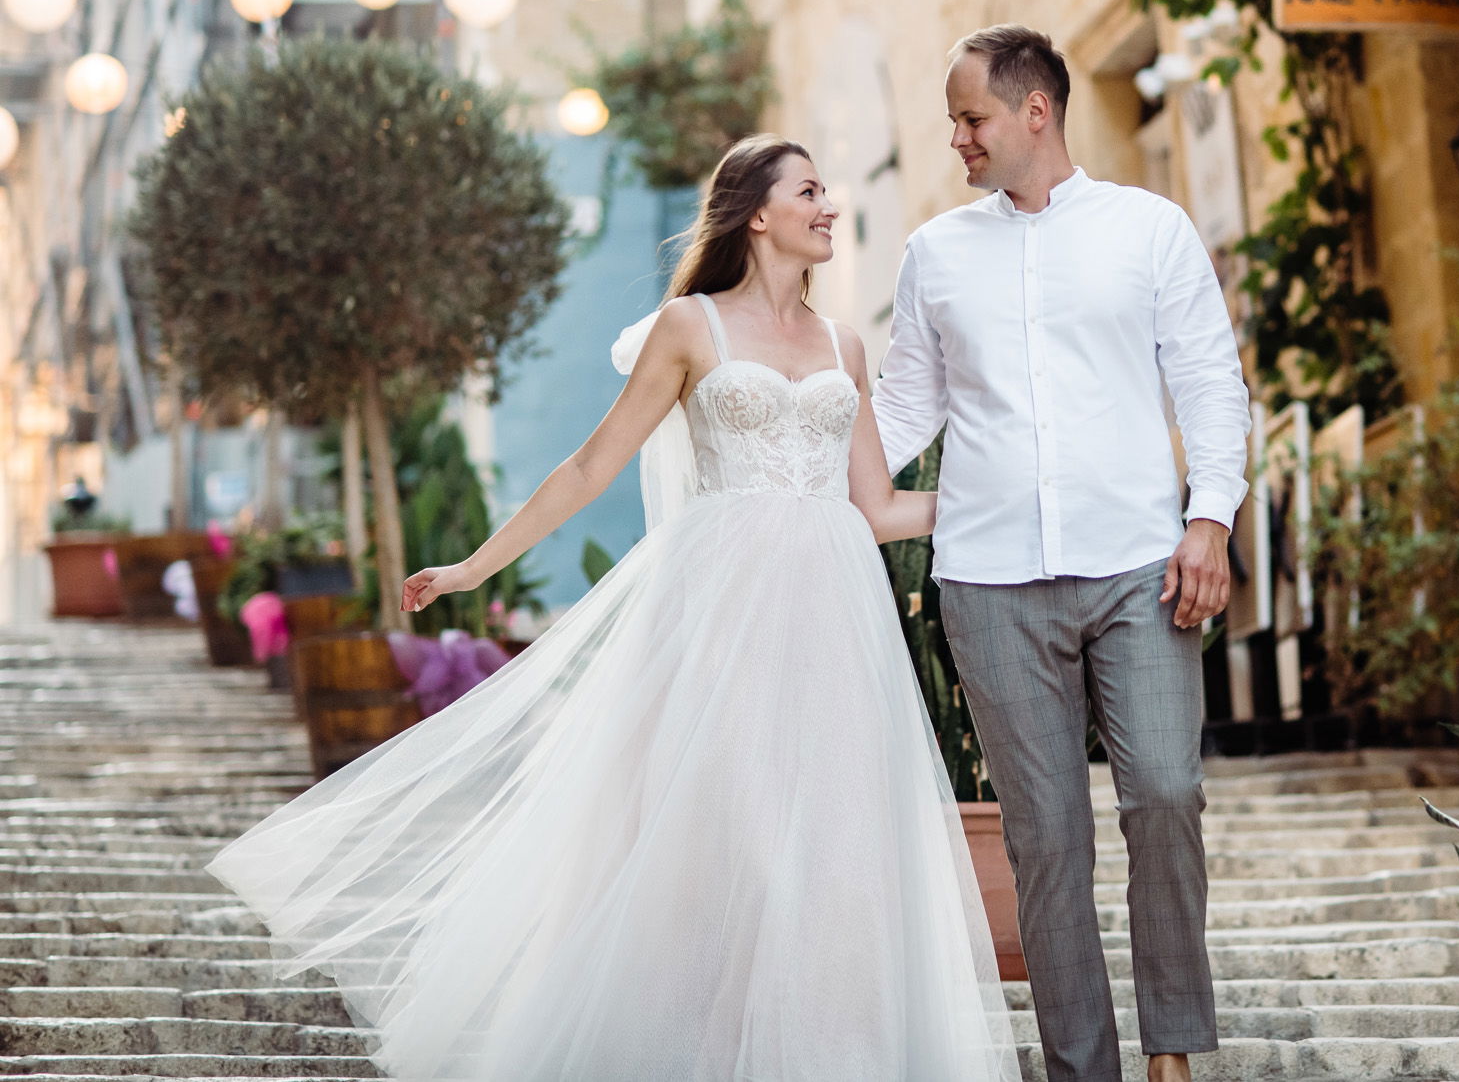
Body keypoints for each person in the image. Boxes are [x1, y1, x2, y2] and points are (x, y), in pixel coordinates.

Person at [204, 135, 1020, 1082]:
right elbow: (589, 465)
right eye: (810, 191)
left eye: (829, 192)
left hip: (836, 619)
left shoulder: (845, 343)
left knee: (835, 846)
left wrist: (1013, 496)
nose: (830, 206)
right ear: (757, 213)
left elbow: (877, 507)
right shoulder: (690, 327)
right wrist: (472, 567)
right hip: (723, 610)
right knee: (736, 838)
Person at [872, 25, 1253, 1082]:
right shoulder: (935, 254)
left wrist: (1208, 518)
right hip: (989, 584)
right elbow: (905, 406)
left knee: (1164, 794)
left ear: (1034, 110)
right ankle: (1079, 1070)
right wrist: (796, 450)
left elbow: (1211, 386)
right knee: (1044, 841)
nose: (956, 139)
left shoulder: (1149, 229)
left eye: (970, 117)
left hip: (1141, 566)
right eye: (955, 120)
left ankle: (1171, 1051)